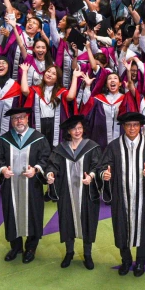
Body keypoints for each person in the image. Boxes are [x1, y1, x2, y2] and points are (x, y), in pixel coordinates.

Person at [97, 112, 145, 277]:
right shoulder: (114, 146)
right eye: (129, 125)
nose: (132, 128)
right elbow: (103, 166)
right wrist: (105, 174)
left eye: (135, 125)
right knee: (122, 229)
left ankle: (140, 262)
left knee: (143, 229)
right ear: (123, 127)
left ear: (141, 126)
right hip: (120, 195)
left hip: (142, 196)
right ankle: (126, 260)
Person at [0, 107, 51, 263]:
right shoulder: (4, 140)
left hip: (32, 185)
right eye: (15, 118)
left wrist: (36, 169)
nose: (19, 121)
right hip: (11, 185)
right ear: (11, 122)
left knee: (33, 213)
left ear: (27, 119)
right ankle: (15, 246)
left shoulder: (39, 138)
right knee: (12, 213)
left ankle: (31, 247)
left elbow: (46, 159)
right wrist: (3, 170)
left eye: (22, 117)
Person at [45, 115, 102, 270]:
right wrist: (50, 175)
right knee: (67, 220)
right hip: (66, 192)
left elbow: (98, 166)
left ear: (83, 129)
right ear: (68, 131)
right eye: (73, 129)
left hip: (86, 193)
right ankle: (69, 252)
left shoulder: (92, 147)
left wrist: (91, 176)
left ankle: (87, 254)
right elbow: (52, 166)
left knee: (87, 221)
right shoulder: (61, 149)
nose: (77, 131)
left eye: (80, 128)